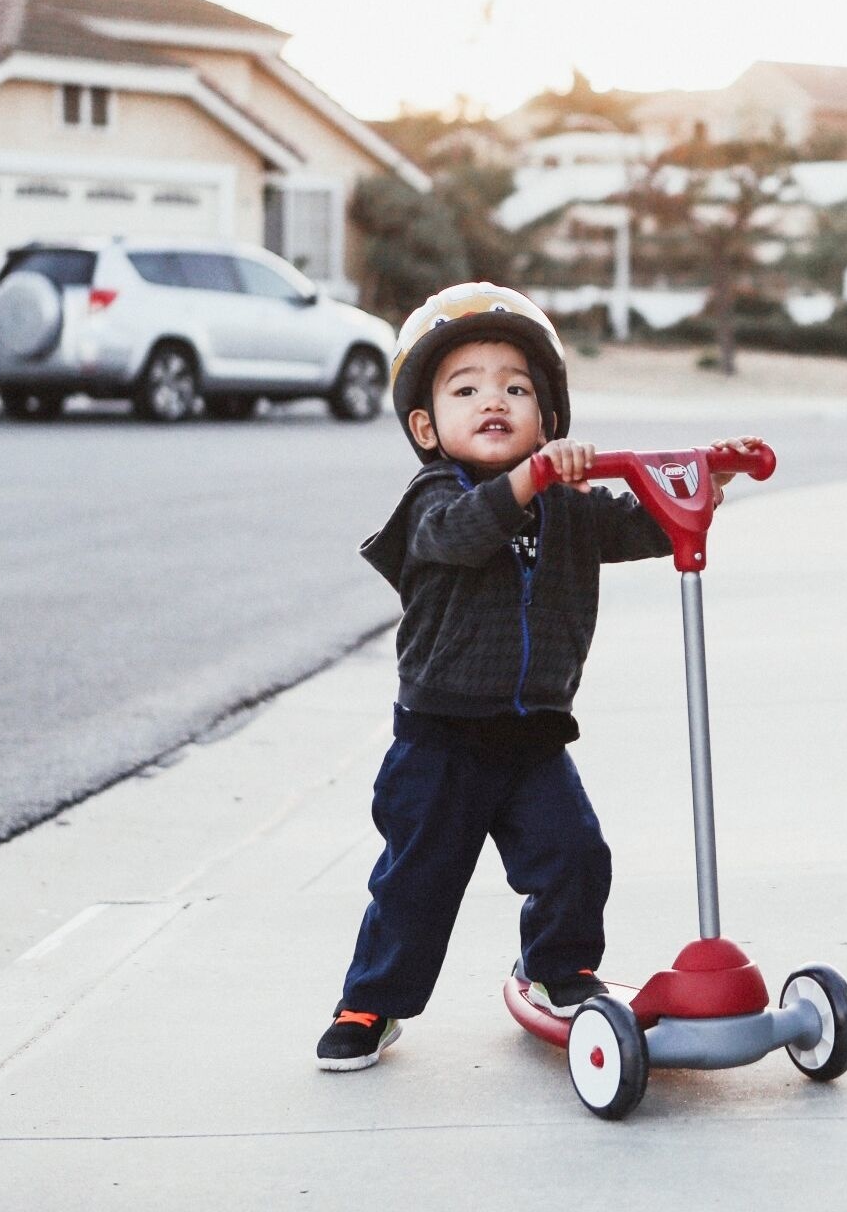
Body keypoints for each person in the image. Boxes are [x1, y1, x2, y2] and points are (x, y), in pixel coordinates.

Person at [317, 282, 760, 1071]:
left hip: (533, 738)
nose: (494, 400)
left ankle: (559, 970)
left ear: (548, 421)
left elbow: (644, 528)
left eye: (516, 388)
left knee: (576, 858)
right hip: (440, 741)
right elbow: (460, 536)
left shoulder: (569, 506)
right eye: (467, 389)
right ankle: (370, 1002)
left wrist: (702, 487)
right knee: (418, 883)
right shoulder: (430, 500)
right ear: (426, 425)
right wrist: (529, 482)